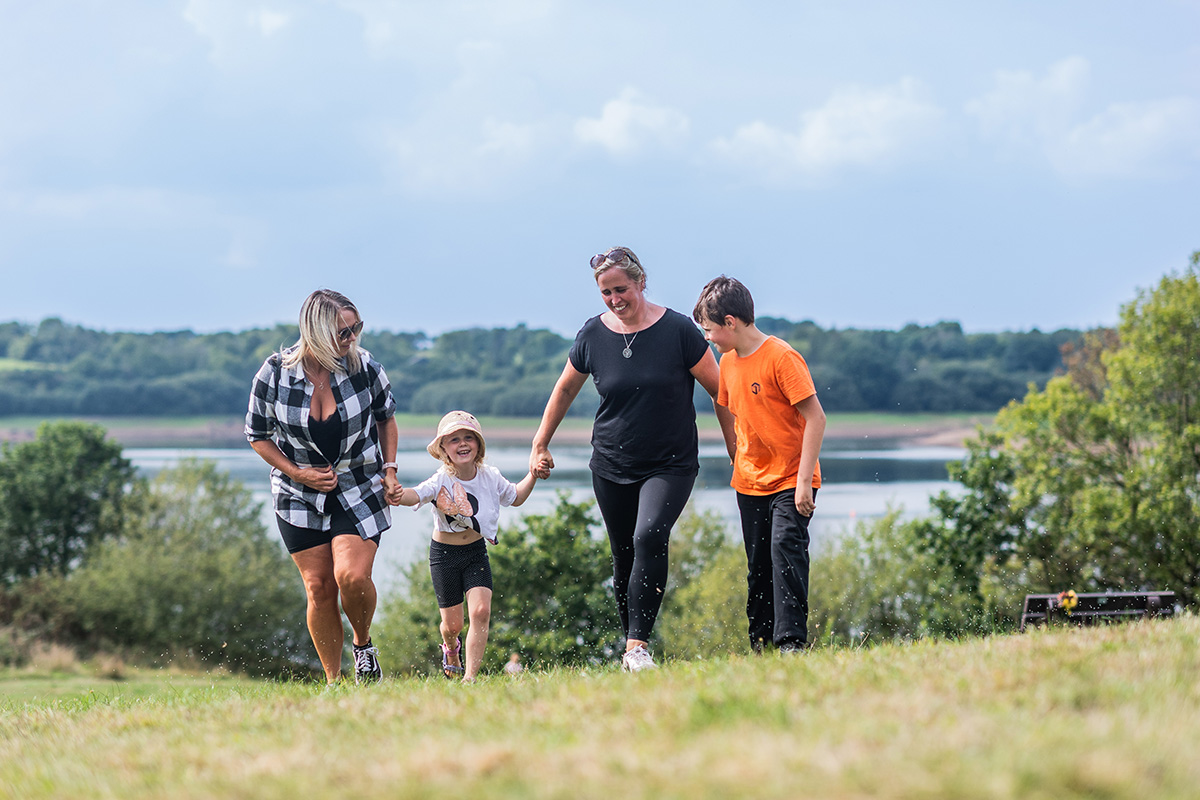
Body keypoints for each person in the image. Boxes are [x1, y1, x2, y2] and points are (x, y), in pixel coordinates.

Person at [529, 246, 735, 672]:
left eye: (621, 289)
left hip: (670, 462)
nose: (614, 299)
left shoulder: (679, 330)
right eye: (605, 293)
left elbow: (721, 393)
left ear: (641, 282)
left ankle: (636, 647)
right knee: (623, 554)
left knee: (649, 536)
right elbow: (565, 388)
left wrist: (737, 448)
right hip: (610, 464)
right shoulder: (592, 334)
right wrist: (540, 442)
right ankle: (633, 651)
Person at [245, 289, 399, 684]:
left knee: (351, 576)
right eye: (342, 333)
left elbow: (386, 418)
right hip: (298, 493)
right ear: (314, 332)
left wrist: (392, 469)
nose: (351, 339)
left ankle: (363, 647)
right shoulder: (274, 373)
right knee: (318, 587)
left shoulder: (365, 368)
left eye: (356, 329)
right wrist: (298, 473)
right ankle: (333, 681)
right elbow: (257, 434)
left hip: (359, 485)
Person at [692, 276, 826, 654]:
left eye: (710, 330)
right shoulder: (728, 362)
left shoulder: (782, 357)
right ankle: (762, 646)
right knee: (759, 566)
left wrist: (803, 483)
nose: (709, 338)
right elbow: (726, 405)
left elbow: (816, 418)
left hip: (791, 478)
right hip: (749, 481)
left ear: (731, 322)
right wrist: (735, 451)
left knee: (786, 547)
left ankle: (791, 643)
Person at [388, 411, 537, 682]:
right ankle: (451, 648)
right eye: (454, 439)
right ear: (444, 448)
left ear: (478, 444)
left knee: (481, 612)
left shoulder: (490, 476)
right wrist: (397, 495)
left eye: (469, 437)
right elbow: (415, 495)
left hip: (475, 553)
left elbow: (515, 497)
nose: (462, 444)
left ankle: (470, 678)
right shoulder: (440, 479)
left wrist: (534, 474)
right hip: (443, 556)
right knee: (452, 626)